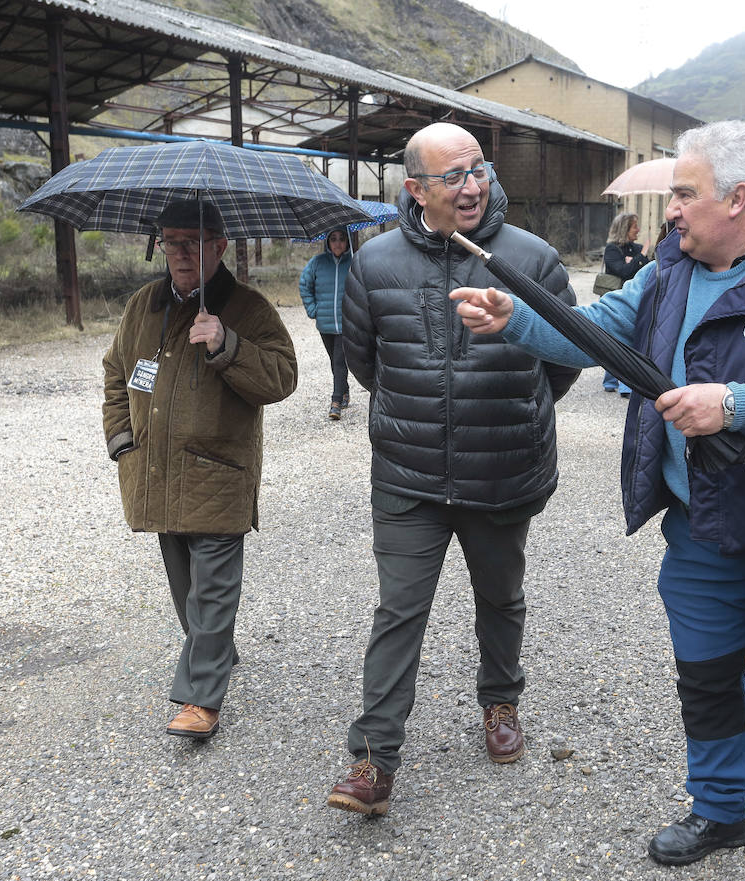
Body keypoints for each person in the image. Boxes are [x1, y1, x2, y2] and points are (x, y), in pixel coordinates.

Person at [453, 120, 745, 881]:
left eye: (684, 194)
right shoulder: (670, 272)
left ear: (738, 198)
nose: (671, 211)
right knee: (707, 683)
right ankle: (720, 815)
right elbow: (599, 335)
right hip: (702, 532)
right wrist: (512, 317)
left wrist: (733, 404)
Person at [325, 121, 579, 817]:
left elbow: (564, 361)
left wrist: (516, 414)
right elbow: (365, 361)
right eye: (453, 177)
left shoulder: (532, 258)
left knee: (500, 598)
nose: (472, 188)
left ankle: (501, 701)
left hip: (502, 470)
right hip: (409, 478)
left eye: (479, 171)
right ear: (415, 190)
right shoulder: (373, 265)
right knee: (398, 611)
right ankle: (373, 762)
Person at [101, 200, 298, 739]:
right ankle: (215, 648)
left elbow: (282, 379)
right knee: (185, 586)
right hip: (156, 474)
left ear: (219, 246)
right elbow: (116, 369)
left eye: (193, 242)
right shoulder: (144, 304)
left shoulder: (249, 309)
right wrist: (122, 440)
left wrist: (225, 344)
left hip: (218, 474)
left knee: (211, 589)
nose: (180, 253)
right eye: (171, 241)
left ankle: (200, 698)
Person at [299, 228, 354, 420]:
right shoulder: (317, 262)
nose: (338, 243)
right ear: (327, 242)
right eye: (333, 239)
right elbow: (304, 284)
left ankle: (336, 401)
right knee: (334, 361)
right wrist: (313, 309)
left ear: (348, 241)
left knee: (340, 361)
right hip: (325, 324)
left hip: (346, 323)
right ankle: (345, 390)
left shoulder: (354, 262)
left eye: (341, 239)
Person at [601, 212, 651, 395]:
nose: (638, 230)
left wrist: (635, 260)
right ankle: (612, 381)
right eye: (634, 226)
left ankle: (623, 384)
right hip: (616, 300)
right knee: (613, 338)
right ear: (624, 229)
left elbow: (642, 269)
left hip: (632, 300)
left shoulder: (633, 248)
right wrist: (642, 255)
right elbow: (624, 271)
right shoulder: (612, 249)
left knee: (627, 339)